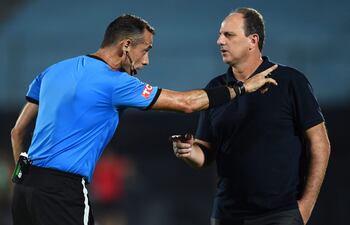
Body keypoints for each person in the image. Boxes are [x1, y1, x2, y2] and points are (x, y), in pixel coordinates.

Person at [10, 14, 277, 225]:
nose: (147, 60)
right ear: (126, 46)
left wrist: (27, 178)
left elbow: (17, 132)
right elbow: (186, 103)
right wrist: (241, 88)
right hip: (62, 191)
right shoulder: (115, 82)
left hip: (24, 187)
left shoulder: (53, 70)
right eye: (145, 50)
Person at [172, 7, 330, 225]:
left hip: (280, 214)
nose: (219, 41)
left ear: (252, 41)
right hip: (226, 215)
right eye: (220, 35)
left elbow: (320, 144)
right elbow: (205, 154)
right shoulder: (216, 88)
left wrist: (305, 206)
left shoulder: (290, 81)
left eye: (229, 35)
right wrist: (189, 151)